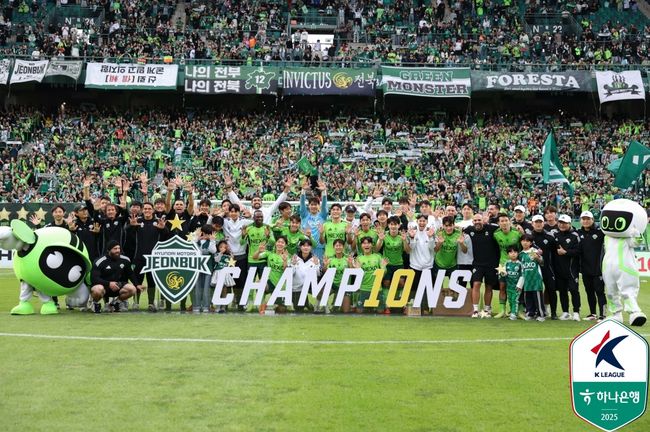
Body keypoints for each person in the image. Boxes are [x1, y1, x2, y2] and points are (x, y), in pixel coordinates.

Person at [128, 202, 166, 312]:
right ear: (142, 210)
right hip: (139, 257)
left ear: (153, 210)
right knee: (137, 281)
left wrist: (163, 228)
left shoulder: (158, 222)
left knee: (151, 281)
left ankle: (151, 303)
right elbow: (129, 234)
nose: (147, 210)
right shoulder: (137, 221)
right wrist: (131, 226)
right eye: (145, 209)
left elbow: (166, 236)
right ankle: (136, 302)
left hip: (153, 258)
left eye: (149, 208)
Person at [464, 213, 499, 318]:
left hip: (491, 264)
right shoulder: (469, 230)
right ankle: (475, 310)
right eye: (475, 220)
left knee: (489, 286)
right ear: (472, 222)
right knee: (476, 284)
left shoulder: (492, 228)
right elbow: (458, 229)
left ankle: (487, 309)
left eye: (479, 220)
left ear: (483, 220)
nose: (477, 222)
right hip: (477, 264)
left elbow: (502, 227)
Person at [375, 216, 411, 314]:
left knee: (401, 283)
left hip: (399, 264)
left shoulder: (402, 236)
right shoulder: (384, 235)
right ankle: (387, 306)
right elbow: (376, 250)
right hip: (387, 264)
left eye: (395, 224)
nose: (393, 226)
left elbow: (408, 251)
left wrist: (404, 240)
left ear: (399, 225)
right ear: (388, 225)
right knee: (386, 283)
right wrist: (380, 240)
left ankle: (402, 304)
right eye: (391, 224)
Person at [90, 241, 137, 313]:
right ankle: (95, 304)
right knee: (97, 290)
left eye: (119, 248)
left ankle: (115, 303)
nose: (118, 250)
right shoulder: (100, 261)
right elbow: (94, 278)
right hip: (104, 286)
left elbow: (130, 274)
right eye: (115, 249)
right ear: (109, 250)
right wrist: (109, 283)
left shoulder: (125, 260)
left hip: (117, 286)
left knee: (132, 289)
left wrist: (137, 284)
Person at [223, 203, 254, 310]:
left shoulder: (244, 222)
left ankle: (240, 304)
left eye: (235, 211)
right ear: (229, 212)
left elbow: (257, 221)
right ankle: (225, 304)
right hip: (229, 257)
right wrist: (221, 213)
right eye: (231, 211)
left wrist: (250, 215)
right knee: (228, 281)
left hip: (242, 256)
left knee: (241, 281)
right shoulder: (225, 222)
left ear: (239, 212)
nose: (233, 213)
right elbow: (213, 221)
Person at [577, 210, 606, 321]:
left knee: (599, 292)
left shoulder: (600, 232)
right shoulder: (579, 233)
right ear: (580, 221)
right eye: (583, 219)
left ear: (593, 220)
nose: (586, 221)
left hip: (598, 269)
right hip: (585, 269)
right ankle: (593, 314)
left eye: (588, 219)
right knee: (589, 292)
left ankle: (603, 315)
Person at [493, 213, 523, 318]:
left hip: (516, 264)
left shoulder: (517, 232)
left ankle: (519, 311)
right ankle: (502, 310)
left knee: (519, 287)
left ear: (509, 221)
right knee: (502, 286)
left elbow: (525, 243)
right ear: (498, 223)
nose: (504, 223)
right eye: (502, 221)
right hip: (503, 264)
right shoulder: (496, 234)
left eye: (506, 220)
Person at [530, 214, 559, 319]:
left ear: (543, 223)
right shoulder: (528, 237)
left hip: (547, 268)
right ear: (532, 224)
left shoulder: (550, 237)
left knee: (551, 289)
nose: (538, 224)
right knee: (533, 290)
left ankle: (553, 313)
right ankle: (533, 311)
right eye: (536, 222)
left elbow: (555, 253)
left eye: (540, 222)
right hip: (533, 268)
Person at [554, 214, 581, 321]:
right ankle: (565, 312)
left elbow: (579, 251)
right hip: (559, 269)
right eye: (560, 223)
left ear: (569, 224)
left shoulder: (575, 236)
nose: (562, 225)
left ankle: (576, 312)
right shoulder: (555, 235)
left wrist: (566, 252)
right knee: (562, 291)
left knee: (574, 290)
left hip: (571, 270)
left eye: (565, 223)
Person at [254, 235, 289, 314]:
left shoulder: (287, 256)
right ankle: (261, 305)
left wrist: (285, 261)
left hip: (280, 286)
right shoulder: (269, 254)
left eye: (282, 242)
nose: (280, 244)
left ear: (285, 245)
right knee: (259, 284)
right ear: (276, 243)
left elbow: (286, 272)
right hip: (270, 282)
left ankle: (272, 305)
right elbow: (254, 257)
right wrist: (259, 251)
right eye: (278, 242)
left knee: (281, 311)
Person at [407, 214, 436, 307]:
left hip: (428, 266)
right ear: (417, 222)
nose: (422, 223)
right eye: (420, 221)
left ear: (427, 222)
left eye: (424, 221)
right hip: (415, 266)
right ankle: (412, 307)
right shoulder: (413, 232)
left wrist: (430, 237)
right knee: (413, 289)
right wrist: (412, 238)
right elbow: (411, 248)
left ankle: (426, 308)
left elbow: (432, 248)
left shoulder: (431, 232)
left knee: (428, 290)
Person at [354, 236, 387, 314]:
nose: (366, 245)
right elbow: (357, 276)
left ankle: (373, 308)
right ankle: (369, 308)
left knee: (380, 311)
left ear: (372, 245)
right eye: (364, 243)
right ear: (361, 245)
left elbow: (384, 273)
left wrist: (383, 267)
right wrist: (357, 269)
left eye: (368, 243)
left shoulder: (378, 256)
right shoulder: (359, 258)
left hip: (377, 289)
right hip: (364, 289)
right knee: (359, 311)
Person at [299, 178, 328, 259]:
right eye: (311, 204)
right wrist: (303, 190)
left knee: (318, 267)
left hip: (319, 248)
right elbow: (302, 204)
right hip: (306, 247)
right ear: (309, 206)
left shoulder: (322, 215)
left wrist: (324, 191)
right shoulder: (305, 215)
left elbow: (324, 205)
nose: (313, 206)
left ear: (318, 206)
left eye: (315, 205)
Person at [519, 234, 546, 322]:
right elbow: (522, 268)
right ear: (521, 242)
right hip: (527, 279)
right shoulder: (521, 254)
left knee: (537, 298)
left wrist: (537, 258)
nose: (525, 243)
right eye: (523, 241)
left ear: (530, 243)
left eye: (527, 241)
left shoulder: (534, 251)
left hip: (536, 279)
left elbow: (542, 262)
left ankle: (541, 314)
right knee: (528, 298)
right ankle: (530, 313)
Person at [291, 239, 321, 312]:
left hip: (310, 285)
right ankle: (307, 303)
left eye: (308, 246)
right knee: (298, 309)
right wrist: (293, 264)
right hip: (297, 287)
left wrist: (316, 265)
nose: (306, 247)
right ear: (300, 247)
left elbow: (318, 274)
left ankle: (315, 306)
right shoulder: (294, 258)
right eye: (304, 246)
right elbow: (290, 273)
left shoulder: (315, 259)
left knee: (321, 290)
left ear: (311, 248)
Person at [323, 239, 352, 313]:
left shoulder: (348, 259)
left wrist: (350, 264)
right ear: (333, 247)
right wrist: (325, 265)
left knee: (345, 311)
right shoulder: (330, 259)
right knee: (321, 292)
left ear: (343, 247)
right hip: (333, 285)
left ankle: (337, 304)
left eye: (340, 245)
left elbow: (353, 272)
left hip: (344, 286)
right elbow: (325, 272)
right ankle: (321, 306)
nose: (338, 247)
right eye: (336, 245)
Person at [193, 224, 217, 313]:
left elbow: (213, 250)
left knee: (207, 287)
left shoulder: (212, 242)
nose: (207, 235)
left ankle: (206, 306)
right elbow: (193, 249)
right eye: (205, 233)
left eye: (209, 234)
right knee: (197, 287)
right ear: (202, 232)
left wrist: (212, 240)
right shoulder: (197, 241)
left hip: (208, 267)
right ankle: (197, 306)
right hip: (197, 267)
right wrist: (197, 238)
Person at [499, 246, 523, 320]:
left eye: (515, 252)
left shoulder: (520, 264)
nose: (513, 254)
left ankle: (513, 314)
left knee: (515, 300)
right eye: (511, 252)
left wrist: (519, 285)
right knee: (510, 300)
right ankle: (512, 312)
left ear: (518, 253)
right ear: (508, 254)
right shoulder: (507, 263)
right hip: (509, 286)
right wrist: (503, 273)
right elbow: (504, 274)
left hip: (516, 287)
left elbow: (522, 275)